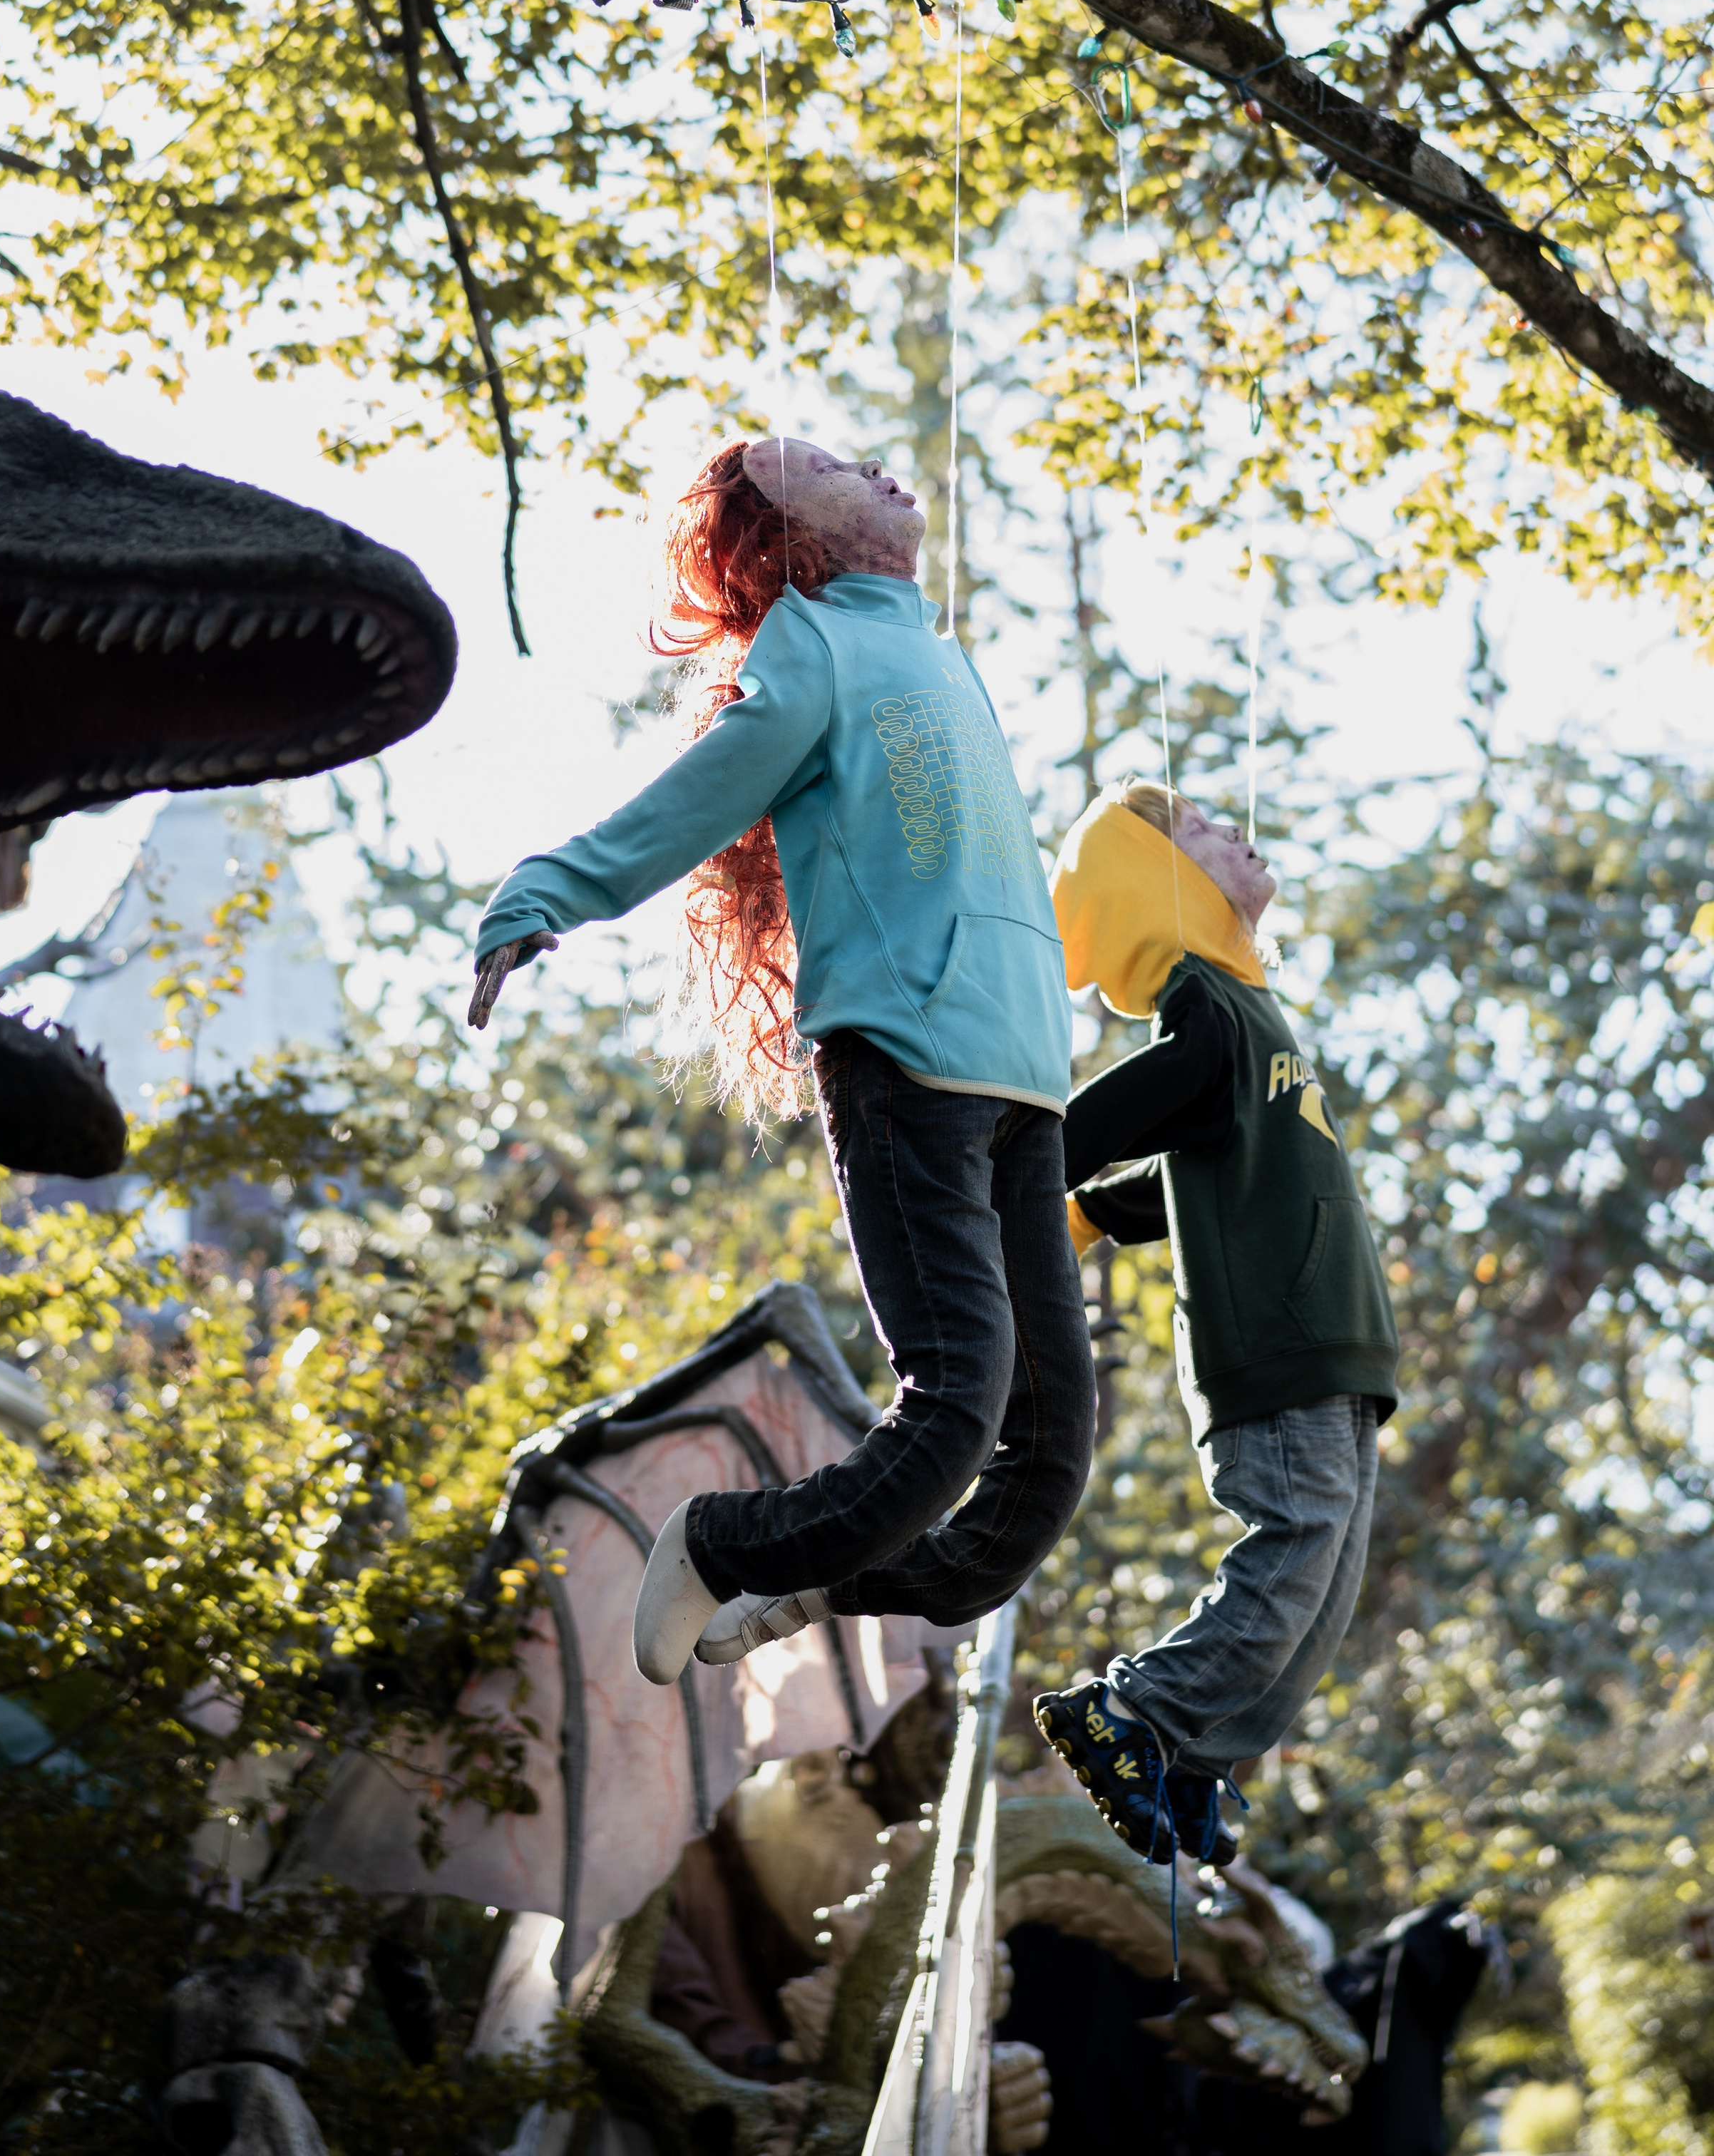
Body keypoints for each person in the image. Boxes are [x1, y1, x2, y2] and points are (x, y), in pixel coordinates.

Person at [468, 438, 1094, 1685]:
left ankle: (806, 1584)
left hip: (1026, 1082)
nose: (880, 466)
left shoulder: (941, 648)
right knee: (956, 1411)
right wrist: (543, 893)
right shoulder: (809, 644)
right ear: (794, 537)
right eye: (835, 465)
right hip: (908, 1062)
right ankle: (721, 1539)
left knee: (1047, 1468)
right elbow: (695, 798)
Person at [1032, 779, 1398, 1871]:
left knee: (1324, 1582)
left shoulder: (1250, 1013)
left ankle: (1193, 1758)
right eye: (1200, 827)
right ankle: (1135, 1714)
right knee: (1292, 1543)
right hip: (1277, 1338)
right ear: (1164, 881)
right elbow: (1152, 1094)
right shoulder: (1207, 1007)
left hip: (1335, 1340)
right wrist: (1033, 1172)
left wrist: (1094, 1209)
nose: (1236, 830)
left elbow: (1204, 1161)